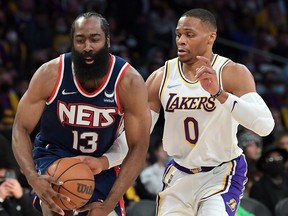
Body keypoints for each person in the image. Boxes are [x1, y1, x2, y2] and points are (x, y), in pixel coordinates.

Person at [11, 12, 151, 216]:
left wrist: (109, 203)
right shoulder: (50, 73)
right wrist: (32, 177)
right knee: (56, 209)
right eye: (80, 40)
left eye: (95, 39)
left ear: (108, 41)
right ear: (72, 43)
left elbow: (139, 146)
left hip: (100, 164)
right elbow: (20, 128)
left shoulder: (128, 81)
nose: (87, 47)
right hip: (55, 156)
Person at [146, 8, 275, 215]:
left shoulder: (232, 72)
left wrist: (219, 93)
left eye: (189, 35)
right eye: (178, 34)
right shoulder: (160, 77)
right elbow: (137, 134)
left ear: (211, 37)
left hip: (220, 173)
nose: (181, 40)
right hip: (178, 173)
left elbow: (265, 126)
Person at [250, 145, 288, 213]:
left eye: (278, 158)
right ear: (263, 164)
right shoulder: (258, 188)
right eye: (270, 159)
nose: (275, 161)